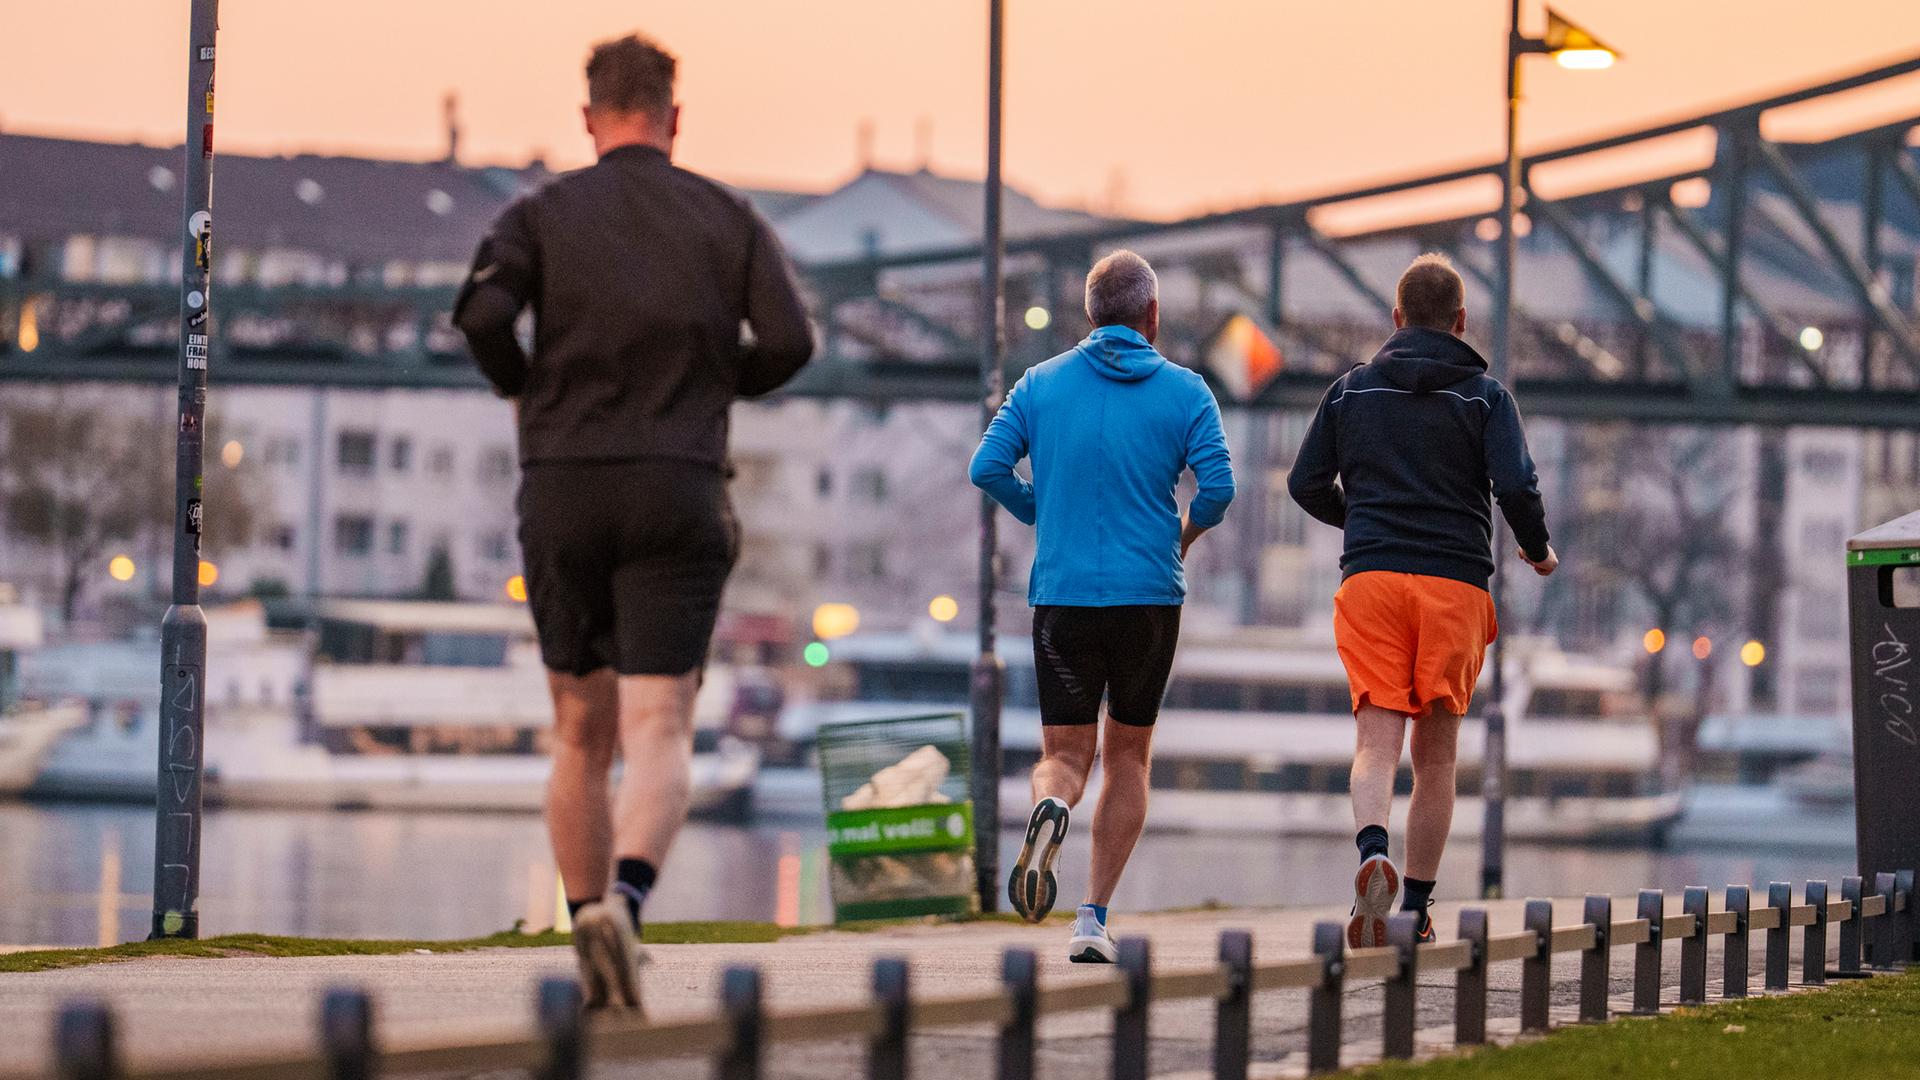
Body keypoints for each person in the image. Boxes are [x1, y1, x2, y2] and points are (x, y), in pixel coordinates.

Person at [454, 33, 813, 1009]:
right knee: (661, 726)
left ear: (588, 118)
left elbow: (482, 320)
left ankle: (585, 936)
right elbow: (791, 339)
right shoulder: (727, 217)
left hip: (564, 483)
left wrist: (526, 394)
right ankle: (628, 903)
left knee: (579, 730)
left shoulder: (537, 215)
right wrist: (710, 385)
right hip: (676, 483)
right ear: (674, 115)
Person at [969, 250, 1234, 962]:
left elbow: (986, 466)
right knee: (1128, 758)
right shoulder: (1188, 393)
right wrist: (1182, 535)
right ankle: (1091, 920)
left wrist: (1039, 509)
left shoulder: (1039, 384)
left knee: (1064, 753)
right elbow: (1218, 491)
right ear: (1152, 315)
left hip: (1062, 597)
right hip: (1149, 598)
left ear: (1088, 315)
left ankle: (1051, 805)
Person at [1287, 252, 1555, 948]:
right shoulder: (1486, 396)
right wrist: (1537, 548)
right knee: (1435, 759)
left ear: (1397, 318)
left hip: (1372, 581)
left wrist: (1365, 520)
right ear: (1461, 321)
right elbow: (1516, 487)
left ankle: (1372, 848)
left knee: (1376, 743)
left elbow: (1305, 483)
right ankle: (1415, 909)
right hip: (1454, 584)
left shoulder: (1350, 391)